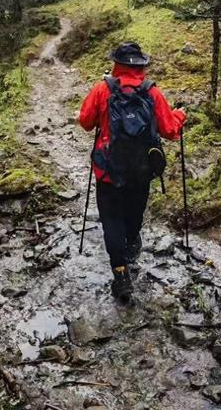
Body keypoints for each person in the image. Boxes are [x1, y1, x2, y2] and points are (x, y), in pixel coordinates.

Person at [78, 41, 186, 301]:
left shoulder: (103, 89)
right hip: (142, 169)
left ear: (116, 64)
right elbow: (170, 131)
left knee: (111, 220)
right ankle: (132, 242)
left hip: (108, 170)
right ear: (141, 67)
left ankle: (121, 274)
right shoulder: (152, 92)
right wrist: (180, 115)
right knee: (134, 214)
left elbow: (85, 122)